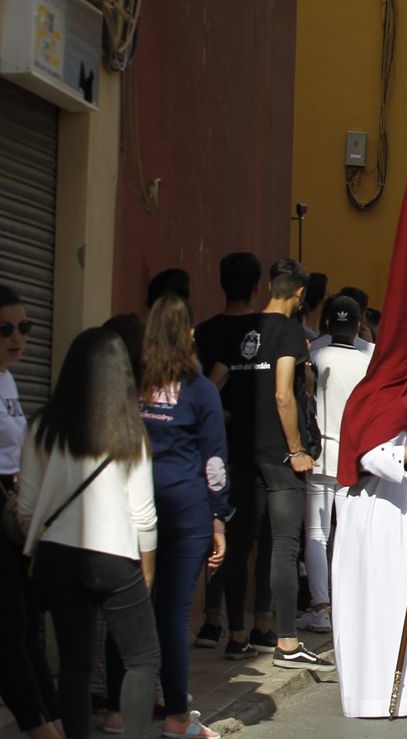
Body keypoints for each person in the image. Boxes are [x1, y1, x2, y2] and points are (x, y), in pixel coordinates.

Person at [329, 158, 407, 718]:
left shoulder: (382, 393)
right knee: (378, 601)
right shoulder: (380, 397)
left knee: (401, 597)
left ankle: (402, 690)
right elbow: (375, 457)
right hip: (374, 513)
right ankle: (379, 693)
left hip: (391, 511)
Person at [17, 329, 158, 739]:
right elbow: (144, 515)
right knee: (142, 658)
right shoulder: (131, 431)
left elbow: (26, 509)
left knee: (75, 663)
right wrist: (147, 567)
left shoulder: (42, 425)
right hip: (115, 556)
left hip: (58, 555)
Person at [102, 298, 230, 739]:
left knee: (127, 608)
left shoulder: (131, 385)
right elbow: (214, 461)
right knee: (172, 617)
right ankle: (177, 718)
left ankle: (117, 713)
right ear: (189, 334)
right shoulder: (200, 390)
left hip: (130, 506)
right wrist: (219, 519)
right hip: (186, 508)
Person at [192, 252, 272, 657]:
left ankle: (211, 621)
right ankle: (256, 625)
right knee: (256, 543)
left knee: (221, 536)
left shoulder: (204, 333)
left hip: (214, 448)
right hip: (256, 449)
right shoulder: (267, 331)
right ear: (257, 286)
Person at [249, 259, 328, 670]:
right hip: (280, 454)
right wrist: (297, 448)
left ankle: (238, 630)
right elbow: (284, 394)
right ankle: (286, 640)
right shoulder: (290, 332)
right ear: (300, 294)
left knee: (246, 541)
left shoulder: (245, 328)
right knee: (283, 544)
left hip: (244, 450)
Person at [0, 286, 62, 739]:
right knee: (11, 627)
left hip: (16, 506)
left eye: (25, 327)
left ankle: (51, 722)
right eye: (5, 328)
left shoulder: (7, 376)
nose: (17, 337)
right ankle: (39, 726)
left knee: (27, 623)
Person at [301, 296, 369, 632]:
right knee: (349, 532)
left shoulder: (313, 354)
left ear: (327, 322)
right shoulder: (370, 359)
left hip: (318, 453)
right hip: (355, 455)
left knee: (318, 534)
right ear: (358, 324)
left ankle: (321, 606)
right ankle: (349, 604)